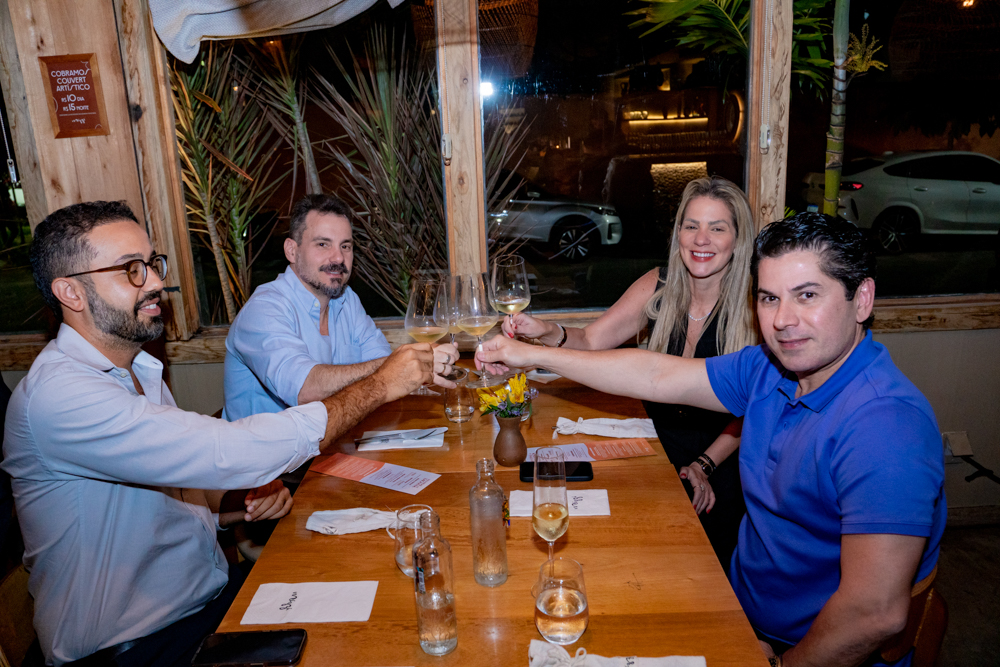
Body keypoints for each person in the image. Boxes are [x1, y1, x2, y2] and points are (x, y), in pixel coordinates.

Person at [478, 212, 946, 667]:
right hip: (733, 599)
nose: (783, 320)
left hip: (798, 645)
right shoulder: (770, 369)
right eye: (769, 298)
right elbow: (656, 374)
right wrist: (530, 355)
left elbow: (873, 612)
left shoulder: (887, 427)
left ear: (862, 299)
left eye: (807, 295)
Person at [2, 201, 455, 667]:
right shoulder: (61, 395)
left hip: (207, 604)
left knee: (383, 604)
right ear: (71, 292)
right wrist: (381, 384)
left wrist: (235, 505)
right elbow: (230, 451)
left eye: (152, 264)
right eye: (131, 270)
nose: (155, 282)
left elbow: (175, 494)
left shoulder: (139, 369)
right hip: (133, 648)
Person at [502, 176, 755, 565]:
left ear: (737, 240)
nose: (701, 239)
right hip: (653, 445)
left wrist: (704, 464)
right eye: (691, 226)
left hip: (720, 457)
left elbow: (755, 405)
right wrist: (546, 331)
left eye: (717, 228)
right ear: (678, 233)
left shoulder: (757, 306)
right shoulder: (658, 283)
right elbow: (591, 340)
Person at [224, 194, 394, 421]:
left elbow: (381, 361)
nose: (338, 258)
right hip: (268, 444)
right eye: (323, 244)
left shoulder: (347, 300)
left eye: (345, 246)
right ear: (291, 251)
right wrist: (395, 367)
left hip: (334, 437)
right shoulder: (264, 309)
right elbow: (305, 390)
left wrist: (394, 369)